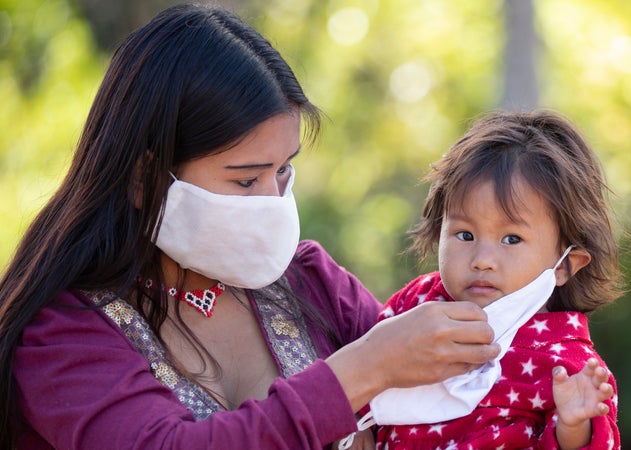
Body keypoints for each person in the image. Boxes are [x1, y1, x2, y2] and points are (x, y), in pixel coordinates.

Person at [0, 4, 501, 450]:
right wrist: (360, 371)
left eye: (283, 170)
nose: (272, 202)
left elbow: (466, 419)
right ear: (144, 179)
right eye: (245, 181)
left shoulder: (312, 282)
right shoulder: (60, 334)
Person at [373, 110, 623, 449]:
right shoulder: (418, 303)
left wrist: (572, 426)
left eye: (511, 239)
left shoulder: (568, 364)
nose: (483, 261)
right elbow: (365, 364)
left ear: (565, 264)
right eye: (464, 235)